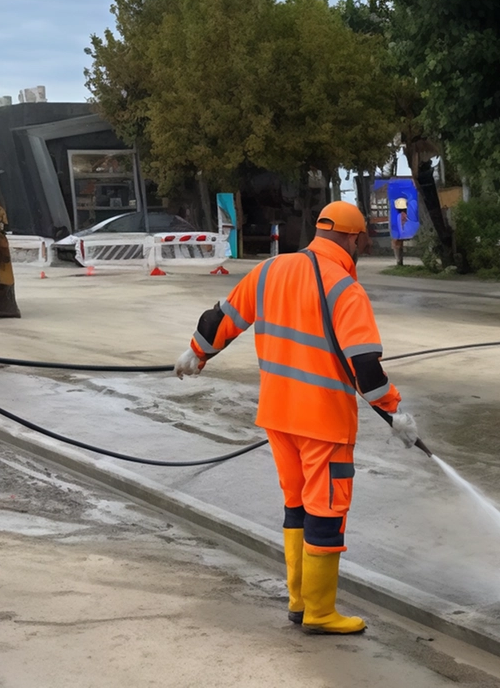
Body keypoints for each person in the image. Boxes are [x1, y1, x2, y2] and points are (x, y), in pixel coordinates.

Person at [174, 201, 420, 635]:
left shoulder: (269, 271)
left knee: (298, 505)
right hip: (323, 424)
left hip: (278, 416)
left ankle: (299, 602)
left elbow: (222, 318)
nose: (364, 246)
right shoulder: (345, 289)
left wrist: (196, 354)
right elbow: (366, 370)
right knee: (326, 511)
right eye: (364, 239)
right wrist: (395, 412)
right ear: (352, 237)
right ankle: (320, 613)